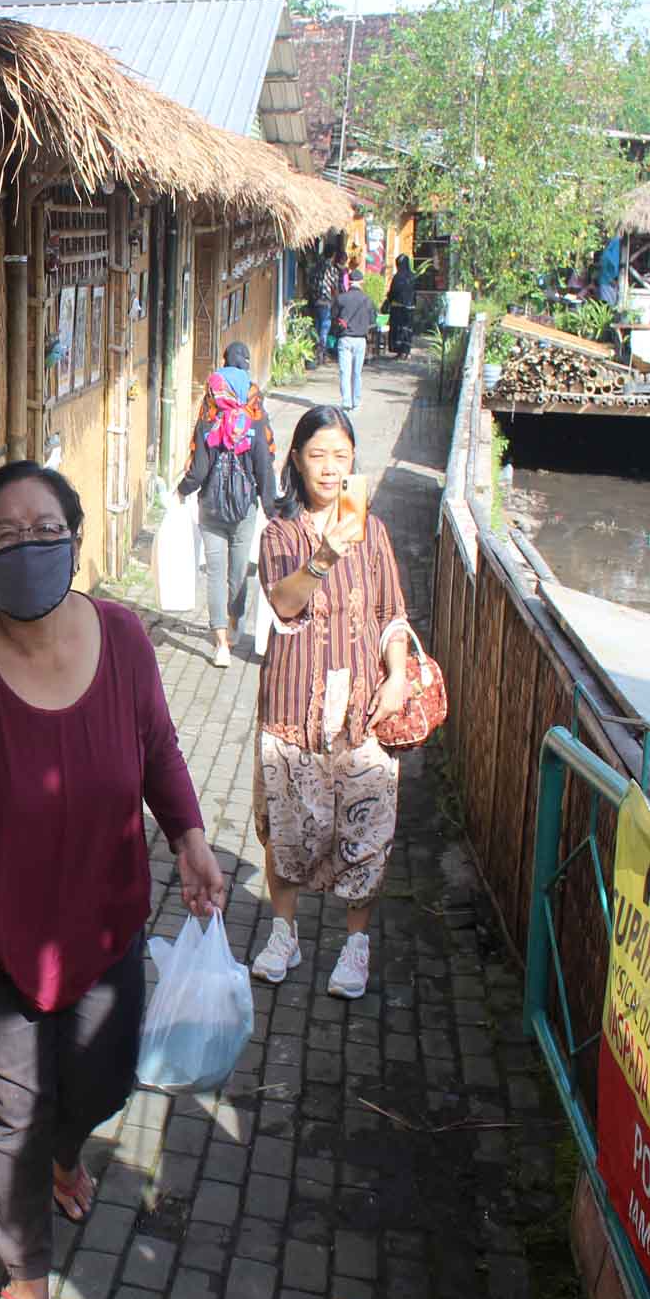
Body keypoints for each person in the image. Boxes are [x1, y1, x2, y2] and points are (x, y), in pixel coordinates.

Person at [0, 461, 228, 1299]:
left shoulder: (124, 637)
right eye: (7, 535)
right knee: (14, 1112)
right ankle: (25, 1267)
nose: (28, 547)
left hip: (105, 918)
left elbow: (156, 745)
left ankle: (69, 1154)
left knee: (104, 1079)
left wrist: (188, 835)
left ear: (74, 536)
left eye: (46, 530)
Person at [250, 406, 412, 1002]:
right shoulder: (280, 532)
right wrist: (324, 556)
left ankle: (355, 945)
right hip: (293, 707)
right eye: (317, 454)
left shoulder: (372, 529)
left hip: (364, 711)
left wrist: (395, 679)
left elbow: (391, 614)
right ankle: (284, 933)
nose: (329, 466)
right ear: (295, 459)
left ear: (352, 462)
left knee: (367, 828)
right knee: (287, 829)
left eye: (340, 455)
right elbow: (285, 604)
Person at [177, 341, 278, 668]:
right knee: (238, 573)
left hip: (211, 508)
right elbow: (264, 467)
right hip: (244, 509)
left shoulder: (208, 419)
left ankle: (220, 645)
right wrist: (271, 507)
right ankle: (234, 626)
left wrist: (182, 490)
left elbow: (199, 471)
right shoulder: (255, 420)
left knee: (215, 574)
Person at [332, 275, 377, 412]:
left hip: (345, 338)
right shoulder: (367, 300)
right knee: (357, 373)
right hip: (360, 340)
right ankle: (356, 402)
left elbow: (333, 315)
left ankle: (346, 401)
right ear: (361, 282)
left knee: (345, 372)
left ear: (349, 282)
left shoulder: (341, 298)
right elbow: (373, 320)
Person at [385, 255, 417, 359]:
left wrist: (389, 300)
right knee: (407, 329)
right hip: (410, 308)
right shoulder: (413, 276)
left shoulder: (398, 277)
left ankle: (400, 352)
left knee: (398, 330)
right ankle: (406, 351)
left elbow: (393, 292)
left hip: (398, 308)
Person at [310, 253, 339, 365]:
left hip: (315, 302)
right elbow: (334, 287)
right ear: (333, 256)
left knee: (317, 328)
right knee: (324, 329)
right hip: (326, 302)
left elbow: (311, 284)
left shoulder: (315, 268)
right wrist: (336, 302)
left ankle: (316, 353)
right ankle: (322, 354)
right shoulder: (332, 270)